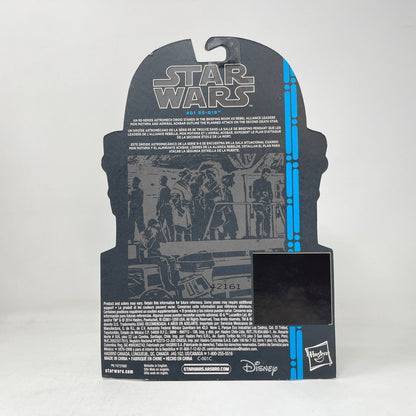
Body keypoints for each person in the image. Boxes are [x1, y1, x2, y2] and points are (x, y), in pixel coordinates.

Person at [253, 168, 273, 238]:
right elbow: (254, 194)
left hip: (266, 205)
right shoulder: (256, 182)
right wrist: (261, 194)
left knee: (267, 220)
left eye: (267, 175)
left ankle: (267, 235)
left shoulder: (268, 183)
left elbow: (271, 194)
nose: (266, 176)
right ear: (262, 174)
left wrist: (269, 200)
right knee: (259, 219)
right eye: (265, 175)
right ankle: (258, 235)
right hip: (259, 204)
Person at [218, 173, 238, 240]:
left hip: (229, 209)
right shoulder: (223, 191)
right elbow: (224, 200)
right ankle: (224, 235)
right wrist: (228, 209)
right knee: (227, 222)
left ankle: (231, 235)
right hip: (226, 209)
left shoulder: (227, 190)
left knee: (231, 223)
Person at [156, 176, 174, 241]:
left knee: (160, 223)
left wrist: (157, 209)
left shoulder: (162, 189)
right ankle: (172, 239)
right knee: (170, 224)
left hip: (163, 208)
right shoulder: (168, 189)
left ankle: (160, 238)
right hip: (169, 207)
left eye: (160, 180)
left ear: (161, 181)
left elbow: (160, 201)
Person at [128, 176, 144, 243]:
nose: (132, 183)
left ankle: (131, 239)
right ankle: (144, 239)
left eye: (133, 182)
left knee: (131, 225)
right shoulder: (141, 191)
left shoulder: (132, 191)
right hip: (139, 209)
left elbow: (127, 198)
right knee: (140, 225)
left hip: (133, 210)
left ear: (135, 183)